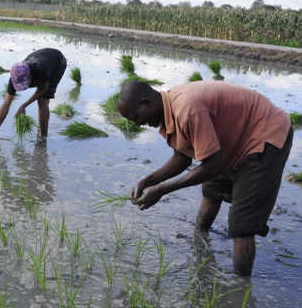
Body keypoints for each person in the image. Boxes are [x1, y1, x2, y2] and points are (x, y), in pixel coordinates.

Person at [117, 80, 292, 277]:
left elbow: (212, 166)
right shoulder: (168, 112)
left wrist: (162, 190)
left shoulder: (187, 109)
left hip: (265, 135)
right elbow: (181, 158)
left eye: (135, 117)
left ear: (146, 102)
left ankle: (240, 288)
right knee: (211, 190)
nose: (137, 123)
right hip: (233, 138)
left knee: (241, 224)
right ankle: (200, 243)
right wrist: (147, 182)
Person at [0, 48, 66, 139]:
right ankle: (43, 121)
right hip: (43, 58)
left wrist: (24, 106)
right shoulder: (15, 77)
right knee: (43, 100)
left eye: (25, 82)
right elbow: (5, 105)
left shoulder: (39, 70)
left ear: (30, 75)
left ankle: (43, 137)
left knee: (42, 100)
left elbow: (43, 88)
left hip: (58, 62)